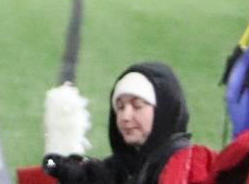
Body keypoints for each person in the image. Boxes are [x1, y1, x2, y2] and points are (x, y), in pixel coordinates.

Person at [45, 63, 211, 184]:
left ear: (163, 109)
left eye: (137, 105)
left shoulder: (187, 164)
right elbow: (48, 164)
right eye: (119, 107)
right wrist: (57, 164)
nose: (125, 116)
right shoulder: (120, 166)